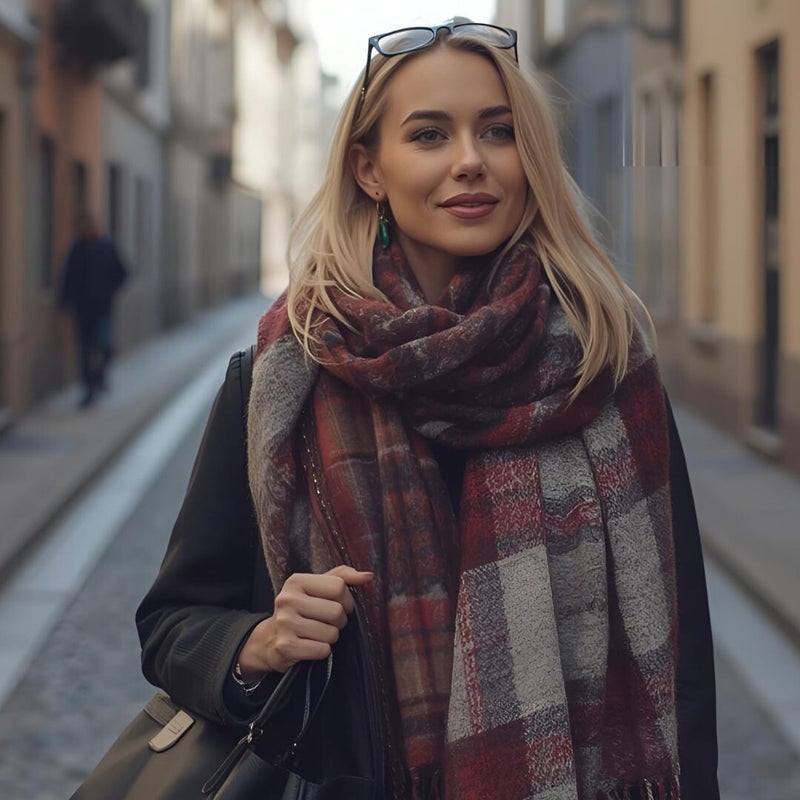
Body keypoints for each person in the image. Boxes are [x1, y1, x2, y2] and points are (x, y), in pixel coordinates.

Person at [137, 18, 719, 800]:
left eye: (499, 131)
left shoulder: (604, 369)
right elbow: (173, 624)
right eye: (429, 135)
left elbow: (683, 666)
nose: (470, 160)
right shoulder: (285, 379)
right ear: (369, 169)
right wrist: (261, 642)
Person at [59, 210, 127, 407]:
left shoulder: (107, 247)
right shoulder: (77, 250)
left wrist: (109, 290)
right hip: (83, 310)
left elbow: (123, 272)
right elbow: (68, 277)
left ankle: (99, 376)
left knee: (105, 346)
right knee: (84, 349)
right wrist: (66, 302)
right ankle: (89, 389)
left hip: (103, 308)